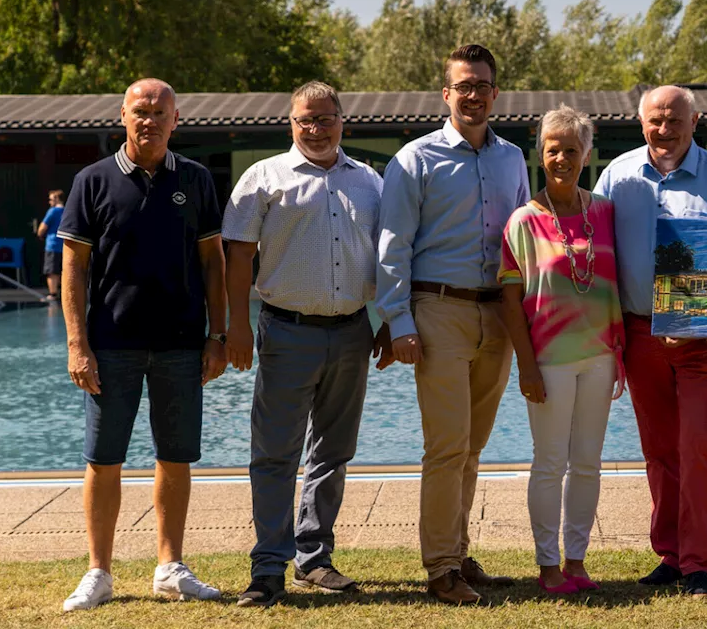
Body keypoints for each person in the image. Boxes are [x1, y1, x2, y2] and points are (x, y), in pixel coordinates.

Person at [57, 78, 227, 612]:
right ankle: (98, 573)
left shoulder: (196, 180)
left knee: (175, 458)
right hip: (111, 346)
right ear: (122, 116)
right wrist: (77, 344)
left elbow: (213, 264)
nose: (149, 119)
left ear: (177, 119)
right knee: (103, 459)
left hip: (181, 344)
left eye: (159, 111)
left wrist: (217, 336)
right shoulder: (92, 181)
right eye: (140, 111)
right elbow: (74, 269)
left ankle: (169, 567)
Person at [222, 81, 393, 608]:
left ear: (343, 120)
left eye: (325, 119)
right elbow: (237, 256)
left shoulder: (371, 182)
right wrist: (236, 326)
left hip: (352, 331)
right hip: (286, 330)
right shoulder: (263, 178)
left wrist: (386, 319)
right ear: (290, 123)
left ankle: (314, 559)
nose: (315, 129)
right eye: (305, 120)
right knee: (275, 454)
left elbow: (389, 256)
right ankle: (268, 567)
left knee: (333, 452)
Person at [376, 44, 531, 605]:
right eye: (463, 85)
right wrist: (398, 321)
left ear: (495, 94)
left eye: (482, 85)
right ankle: (440, 569)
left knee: (472, 448)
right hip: (437, 311)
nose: (473, 95)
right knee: (446, 446)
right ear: (446, 94)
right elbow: (393, 248)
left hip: (497, 312)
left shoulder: (513, 159)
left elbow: (521, 242)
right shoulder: (414, 160)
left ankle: (459, 552)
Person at [593, 85, 707, 598]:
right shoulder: (617, 176)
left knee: (699, 445)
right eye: (656, 120)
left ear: (694, 121)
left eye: (675, 120)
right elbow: (603, 255)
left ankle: (698, 562)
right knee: (659, 449)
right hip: (638, 331)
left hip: (703, 337)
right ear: (641, 123)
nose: (665, 129)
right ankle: (671, 556)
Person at [497, 105, 625, 595]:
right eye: (554, 149)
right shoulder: (522, 223)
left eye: (572, 150)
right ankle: (547, 564)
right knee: (550, 462)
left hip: (600, 356)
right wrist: (525, 365)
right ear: (541, 154)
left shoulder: (605, 213)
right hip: (547, 360)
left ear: (586, 155)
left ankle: (577, 561)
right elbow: (510, 301)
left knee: (588, 462)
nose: (562, 158)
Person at [37, 189, 65, 301]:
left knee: (52, 271)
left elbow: (42, 227)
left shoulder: (52, 211)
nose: (49, 202)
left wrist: (40, 235)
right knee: (63, 270)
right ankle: (64, 293)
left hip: (53, 245)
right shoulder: (68, 210)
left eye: (51, 199)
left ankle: (53, 294)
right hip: (65, 245)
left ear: (57, 199)